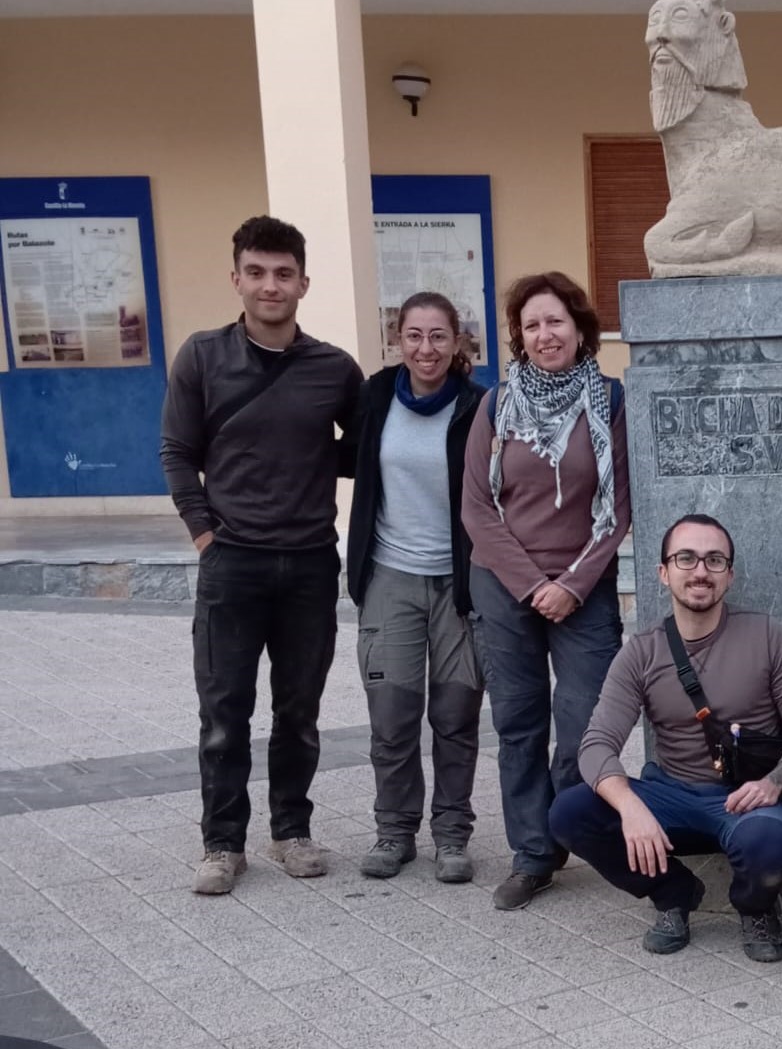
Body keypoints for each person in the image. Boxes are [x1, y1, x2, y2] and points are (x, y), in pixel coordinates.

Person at [160, 215, 362, 895]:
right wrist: (203, 531)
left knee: (298, 711)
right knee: (223, 713)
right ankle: (222, 844)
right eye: (256, 272)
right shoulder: (201, 355)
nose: (270, 285)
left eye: (283, 273)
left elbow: (362, 450)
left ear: (303, 281)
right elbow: (178, 452)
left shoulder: (333, 368)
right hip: (232, 563)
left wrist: (308, 461)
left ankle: (290, 831)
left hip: (309, 562)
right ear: (236, 278)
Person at [549, 514, 782, 962]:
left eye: (714, 560)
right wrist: (631, 808)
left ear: (729, 575)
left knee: (768, 840)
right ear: (663, 572)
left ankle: (755, 908)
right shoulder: (641, 652)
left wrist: (776, 781)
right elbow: (596, 745)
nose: (700, 571)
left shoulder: (767, 636)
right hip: (668, 793)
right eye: (686, 558)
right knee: (569, 812)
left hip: (745, 799)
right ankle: (673, 893)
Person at [462, 271, 631, 911]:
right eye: (531, 325)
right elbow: (478, 508)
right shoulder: (495, 405)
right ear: (519, 337)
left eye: (555, 321)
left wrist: (571, 584)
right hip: (504, 584)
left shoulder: (609, 401)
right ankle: (533, 854)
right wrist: (533, 584)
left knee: (587, 719)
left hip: (583, 585)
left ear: (581, 329)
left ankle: (570, 820)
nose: (544, 334)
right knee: (517, 721)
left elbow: (619, 507)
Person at [346, 292, 488, 884]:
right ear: (397, 340)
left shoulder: (480, 405)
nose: (425, 348)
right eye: (413, 335)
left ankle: (451, 835)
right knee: (393, 716)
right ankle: (394, 831)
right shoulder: (375, 396)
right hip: (391, 576)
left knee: (456, 715)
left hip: (460, 584)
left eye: (437, 336)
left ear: (457, 342)